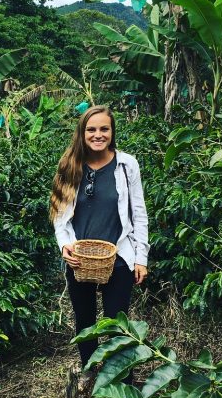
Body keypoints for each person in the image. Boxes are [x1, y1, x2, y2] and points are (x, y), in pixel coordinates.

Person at [50, 105, 149, 371]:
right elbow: (60, 216)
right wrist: (65, 246)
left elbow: (139, 214)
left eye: (104, 129)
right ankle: (90, 376)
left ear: (112, 132)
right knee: (85, 322)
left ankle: (121, 383)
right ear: (82, 133)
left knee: (118, 324)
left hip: (119, 257)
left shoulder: (127, 164)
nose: (98, 135)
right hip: (79, 259)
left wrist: (141, 258)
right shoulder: (69, 166)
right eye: (91, 129)